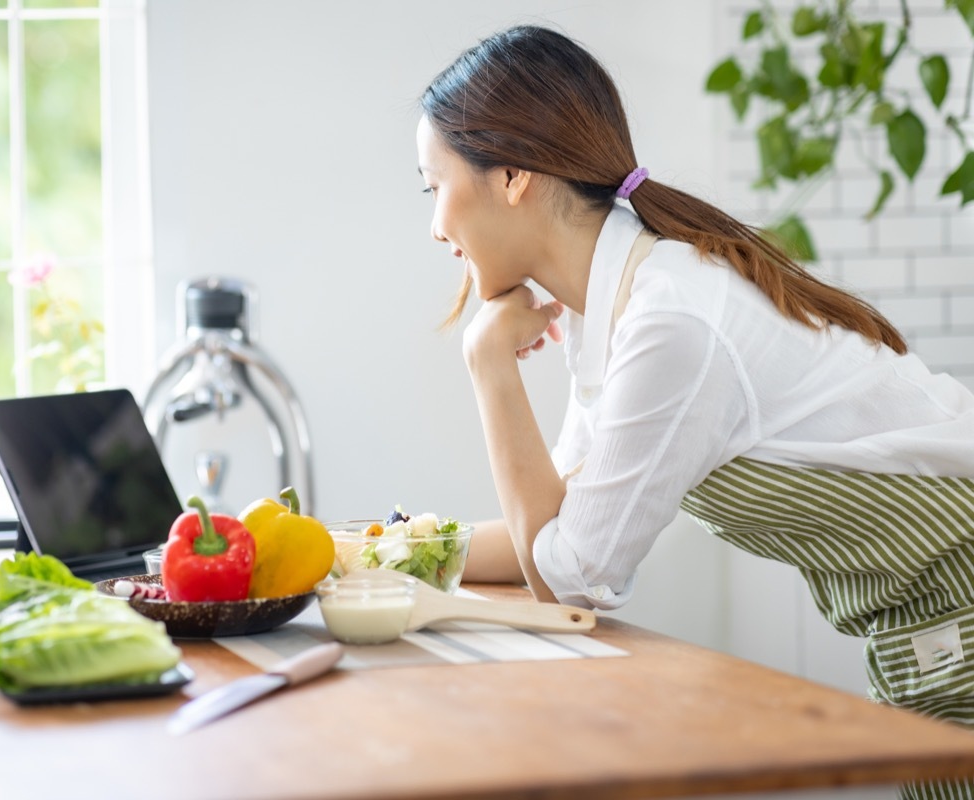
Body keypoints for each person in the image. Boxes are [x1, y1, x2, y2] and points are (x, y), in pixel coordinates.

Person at [416, 24, 974, 800]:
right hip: (929, 621)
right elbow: (556, 534)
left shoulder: (670, 318)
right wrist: (384, 551)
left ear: (511, 174)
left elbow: (573, 578)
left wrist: (489, 370)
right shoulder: (615, 304)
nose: (437, 225)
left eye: (432, 186)